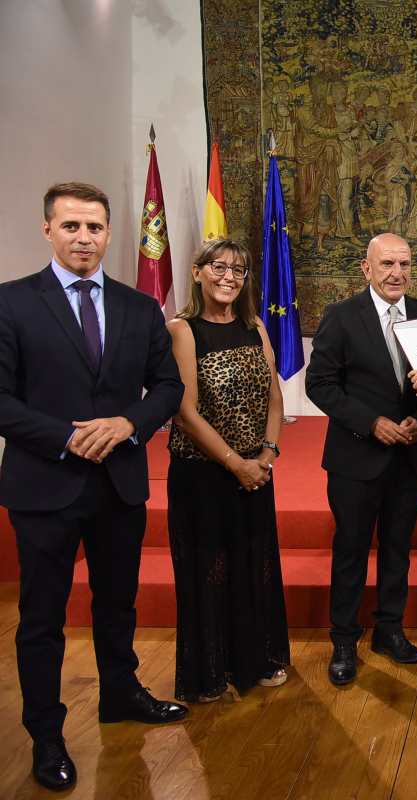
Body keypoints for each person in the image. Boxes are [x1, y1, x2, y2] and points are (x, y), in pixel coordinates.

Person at [0, 182, 186, 791]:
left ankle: (121, 693)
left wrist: (129, 423)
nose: (85, 238)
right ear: (48, 229)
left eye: (96, 228)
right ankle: (47, 734)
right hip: (44, 485)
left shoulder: (139, 308)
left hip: (119, 483)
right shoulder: (12, 303)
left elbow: (167, 389)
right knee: (41, 618)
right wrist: (68, 436)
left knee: (117, 604)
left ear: (109, 233)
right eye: (73, 226)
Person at [306, 233, 417, 686]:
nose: (396, 273)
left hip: (410, 456)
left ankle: (389, 630)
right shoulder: (341, 317)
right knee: (351, 550)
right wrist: (372, 423)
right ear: (367, 268)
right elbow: (320, 385)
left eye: (403, 264)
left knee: (398, 549)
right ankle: (344, 640)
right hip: (356, 458)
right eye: (386, 264)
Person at [165, 239, 290, 703]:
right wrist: (235, 463)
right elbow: (184, 411)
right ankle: (209, 674)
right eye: (218, 267)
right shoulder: (183, 330)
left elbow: (274, 396)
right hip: (204, 474)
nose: (228, 278)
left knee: (251, 568)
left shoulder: (254, 325)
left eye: (238, 271)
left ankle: (254, 662)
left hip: (256, 471)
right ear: (198, 272)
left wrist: (268, 454)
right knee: (209, 572)